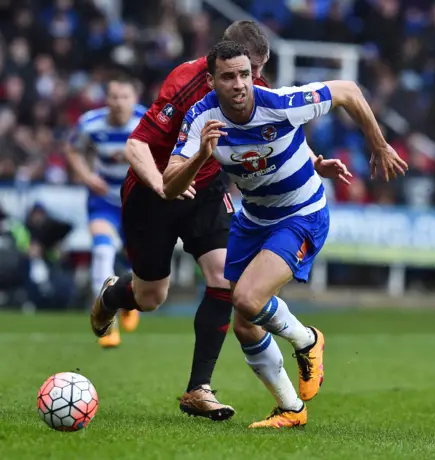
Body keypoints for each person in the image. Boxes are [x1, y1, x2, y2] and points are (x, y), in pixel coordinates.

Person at [89, 21, 349, 421]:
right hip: (152, 192)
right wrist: (162, 185)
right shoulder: (184, 82)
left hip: (206, 190)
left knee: (223, 280)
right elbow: (136, 143)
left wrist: (312, 161)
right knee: (151, 297)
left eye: (255, 71)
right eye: (248, 70)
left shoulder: (246, 85)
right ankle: (112, 296)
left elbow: (275, 127)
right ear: (220, 64)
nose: (254, 80)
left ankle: (199, 389)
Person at [162, 41, 408, 428]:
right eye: (228, 77)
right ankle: (291, 409)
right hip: (254, 219)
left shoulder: (280, 102)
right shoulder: (200, 119)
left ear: (253, 74)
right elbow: (170, 186)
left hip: (301, 214)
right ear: (211, 81)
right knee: (245, 321)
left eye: (244, 74)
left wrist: (378, 144)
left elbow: (348, 90)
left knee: (246, 297)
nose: (239, 84)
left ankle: (307, 340)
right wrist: (199, 156)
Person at [66, 74, 146, 347]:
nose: (118, 103)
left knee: (140, 258)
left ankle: (128, 302)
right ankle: (106, 320)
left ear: (134, 99)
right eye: (113, 97)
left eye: (124, 97)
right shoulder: (90, 123)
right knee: (102, 249)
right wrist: (87, 177)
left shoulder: (146, 121)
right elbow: (72, 149)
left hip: (137, 201)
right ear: (106, 98)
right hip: (104, 201)